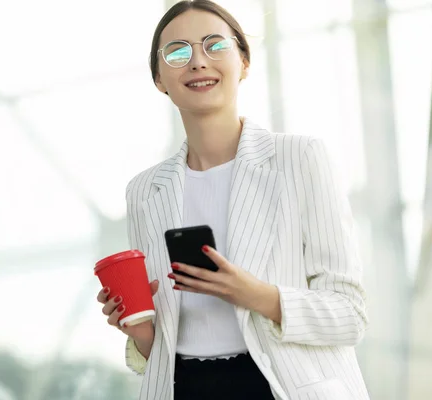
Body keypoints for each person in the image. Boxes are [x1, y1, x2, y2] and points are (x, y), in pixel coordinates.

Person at [97, 1, 370, 399]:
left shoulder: (300, 158)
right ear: (159, 79)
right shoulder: (144, 191)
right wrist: (139, 330)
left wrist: (254, 293)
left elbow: (351, 314)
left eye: (215, 45)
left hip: (281, 387)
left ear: (243, 61)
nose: (197, 62)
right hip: (184, 387)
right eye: (177, 52)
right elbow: (161, 347)